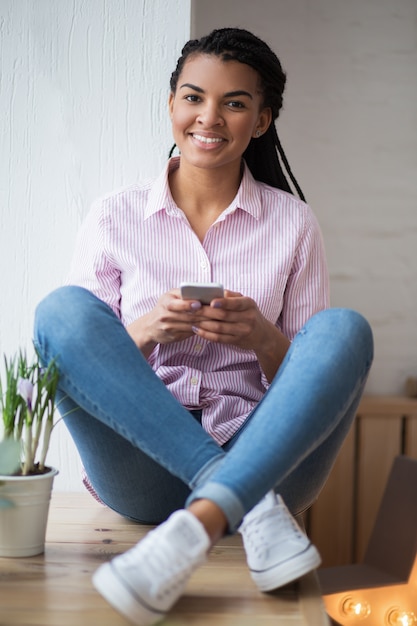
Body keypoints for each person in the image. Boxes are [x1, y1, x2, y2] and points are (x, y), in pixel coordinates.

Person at [34, 27, 373, 626]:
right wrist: (141, 331)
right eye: (193, 98)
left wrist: (263, 339)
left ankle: (201, 520)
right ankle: (224, 494)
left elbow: (311, 379)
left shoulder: (293, 225)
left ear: (262, 120)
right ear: (171, 105)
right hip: (143, 468)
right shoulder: (114, 216)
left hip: (263, 459)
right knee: (60, 310)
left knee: (344, 329)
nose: (208, 117)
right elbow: (76, 360)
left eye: (235, 102)